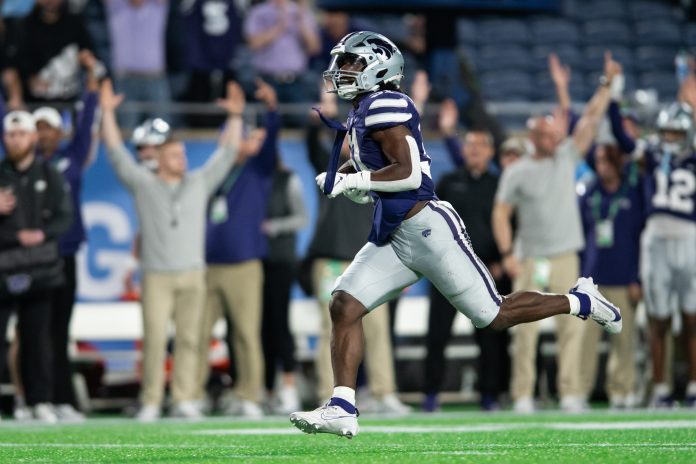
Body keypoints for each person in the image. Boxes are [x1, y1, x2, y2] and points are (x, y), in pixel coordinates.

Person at [289, 32, 622, 438]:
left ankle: (580, 299)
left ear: (378, 66)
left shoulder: (387, 105)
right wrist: (348, 181)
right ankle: (342, 404)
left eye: (351, 63)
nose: (341, 71)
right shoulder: (364, 109)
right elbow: (382, 178)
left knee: (494, 316)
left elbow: (409, 175)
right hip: (395, 234)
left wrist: (354, 179)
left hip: (428, 229)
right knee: (344, 303)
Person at [100, 78, 244, 421]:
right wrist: (106, 112)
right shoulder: (144, 183)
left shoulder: (198, 183)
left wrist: (236, 118)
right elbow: (117, 154)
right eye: (175, 155)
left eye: (181, 153)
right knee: (153, 341)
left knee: (192, 340)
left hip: (193, 273)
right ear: (160, 159)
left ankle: (183, 398)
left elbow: (225, 156)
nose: (182, 159)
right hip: (156, 275)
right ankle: (151, 400)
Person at [492, 52, 623, 414]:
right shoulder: (516, 171)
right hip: (531, 255)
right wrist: (508, 253)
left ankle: (570, 392)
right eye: (547, 134)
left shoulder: (565, 157)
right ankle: (522, 395)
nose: (554, 138)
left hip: (565, 254)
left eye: (554, 133)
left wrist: (606, 84)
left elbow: (591, 119)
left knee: (573, 328)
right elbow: (500, 213)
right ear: (533, 137)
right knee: (524, 330)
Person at [304, 88, 410, 415]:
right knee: (330, 330)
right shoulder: (332, 168)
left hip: (370, 260)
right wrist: (322, 115)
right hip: (331, 261)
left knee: (378, 330)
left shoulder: (380, 174)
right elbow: (311, 147)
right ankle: (328, 393)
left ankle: (384, 393)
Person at [611, 75, 696, 407]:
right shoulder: (651, 154)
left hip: (690, 237)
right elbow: (622, 137)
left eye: (676, 132)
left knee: (692, 318)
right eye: (666, 132)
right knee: (658, 318)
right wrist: (614, 98)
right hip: (656, 238)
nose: (669, 138)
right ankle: (661, 389)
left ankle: (691, 387)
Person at [422, 99, 512, 413]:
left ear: (490, 152)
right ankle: (430, 395)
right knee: (436, 335)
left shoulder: (500, 184)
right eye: (469, 145)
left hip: (485, 271)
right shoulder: (449, 181)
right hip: (446, 269)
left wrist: (502, 259)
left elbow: (509, 225)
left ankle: (489, 395)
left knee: (488, 335)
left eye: (479, 146)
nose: (473, 150)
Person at [197, 79, 279, 418]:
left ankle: (249, 396)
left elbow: (270, 142)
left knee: (246, 334)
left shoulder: (257, 170)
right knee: (196, 333)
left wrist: (271, 111)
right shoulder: (211, 175)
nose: (233, 142)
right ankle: (191, 394)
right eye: (228, 137)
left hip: (245, 265)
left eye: (238, 136)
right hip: (208, 266)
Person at [0, 111, 72, 422]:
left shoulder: (50, 173)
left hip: (40, 266)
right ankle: (11, 400)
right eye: (10, 135)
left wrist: (42, 233)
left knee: (37, 335)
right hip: (4, 265)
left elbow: (65, 216)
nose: (15, 140)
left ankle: (39, 400)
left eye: (21, 135)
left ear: (32, 138)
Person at [578, 144, 644, 409]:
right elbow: (581, 237)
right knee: (586, 342)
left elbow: (639, 238)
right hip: (593, 279)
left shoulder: (632, 192)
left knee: (624, 340)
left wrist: (637, 278)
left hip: (623, 278)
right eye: (598, 161)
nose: (602, 166)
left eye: (607, 161)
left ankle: (622, 389)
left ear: (617, 163)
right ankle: (580, 391)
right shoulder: (589, 191)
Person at [261, 160, 309, 414]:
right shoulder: (247, 180)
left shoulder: (288, 179)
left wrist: (273, 226)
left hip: (281, 261)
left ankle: (289, 388)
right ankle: (267, 390)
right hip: (256, 261)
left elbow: (302, 218)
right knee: (261, 328)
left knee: (280, 324)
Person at [105, 0, 171, 129]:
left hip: (155, 78)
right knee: (126, 129)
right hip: (125, 79)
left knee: (162, 127)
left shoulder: (157, 6)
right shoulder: (117, 6)